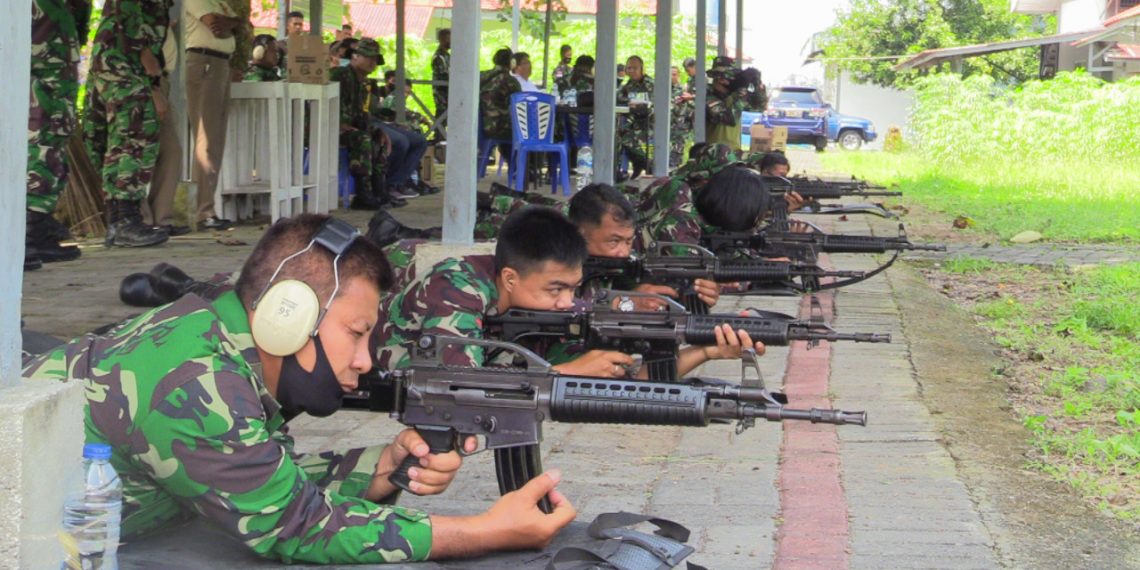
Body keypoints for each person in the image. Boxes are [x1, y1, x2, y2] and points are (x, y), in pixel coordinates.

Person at [23, 214, 576, 564]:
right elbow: (294, 528)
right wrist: (485, 532)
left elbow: (261, 475)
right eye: (357, 334)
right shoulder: (195, 382)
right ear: (288, 317)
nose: (365, 361)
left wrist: (381, 467)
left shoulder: (225, 337)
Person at [374, 207, 758, 378]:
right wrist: (564, 372)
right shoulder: (458, 286)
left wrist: (707, 348)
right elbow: (458, 382)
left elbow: (634, 380)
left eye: (573, 288)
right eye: (555, 289)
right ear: (509, 279)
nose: (567, 302)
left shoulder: (546, 317)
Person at [82, 0, 171, 248]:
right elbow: (128, 14)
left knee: (120, 140)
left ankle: (117, 220)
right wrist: (151, 76)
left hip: (117, 56)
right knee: (137, 134)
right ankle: (125, 221)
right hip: (125, 57)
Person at [25, 0, 93, 267]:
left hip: (56, 78)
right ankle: (28, 234)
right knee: (40, 148)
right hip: (42, 82)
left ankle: (36, 229)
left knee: (51, 148)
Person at [185, 0, 248, 231]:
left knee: (216, 139)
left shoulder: (220, 3)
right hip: (204, 61)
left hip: (221, 64)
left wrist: (233, 23)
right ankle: (202, 211)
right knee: (206, 138)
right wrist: (233, 23)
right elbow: (214, 25)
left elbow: (240, 25)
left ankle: (206, 207)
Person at [330, 38, 402, 210]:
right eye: (368, 57)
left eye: (375, 59)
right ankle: (362, 193)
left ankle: (379, 191)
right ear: (355, 56)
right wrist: (339, 123)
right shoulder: (340, 75)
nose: (372, 62)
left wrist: (376, 129)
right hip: (328, 127)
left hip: (350, 128)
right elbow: (327, 105)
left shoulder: (364, 84)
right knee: (362, 139)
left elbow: (361, 115)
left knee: (378, 138)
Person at [616, 55, 653, 179]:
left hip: (650, 122)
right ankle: (633, 165)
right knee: (618, 133)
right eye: (629, 68)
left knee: (626, 136)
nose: (631, 71)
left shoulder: (649, 84)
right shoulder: (628, 84)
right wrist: (628, 101)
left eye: (635, 68)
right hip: (635, 121)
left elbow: (653, 103)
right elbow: (618, 97)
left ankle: (645, 163)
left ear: (642, 69)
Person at [705, 56, 747, 152]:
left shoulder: (732, 95)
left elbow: (758, 107)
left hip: (733, 152)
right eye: (722, 77)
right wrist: (742, 91)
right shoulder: (707, 96)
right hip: (713, 154)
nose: (726, 81)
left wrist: (756, 84)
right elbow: (730, 118)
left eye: (730, 77)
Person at [479, 47, 520, 141]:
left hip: (480, 124)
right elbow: (520, 103)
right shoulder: (510, 81)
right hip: (499, 126)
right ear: (511, 63)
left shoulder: (481, 75)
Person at [430, 28, 450, 135]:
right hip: (442, 93)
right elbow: (444, 76)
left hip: (447, 92)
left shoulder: (447, 56)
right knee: (441, 117)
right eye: (448, 39)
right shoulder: (439, 57)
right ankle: (438, 139)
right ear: (442, 39)